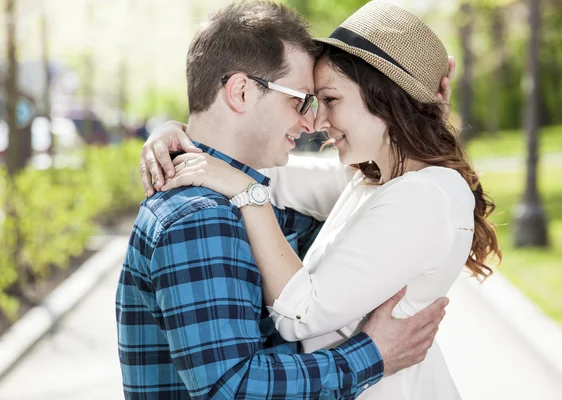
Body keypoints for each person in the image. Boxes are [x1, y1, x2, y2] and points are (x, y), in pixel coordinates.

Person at [140, 2, 502, 399]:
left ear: (385, 99)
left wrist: (250, 196)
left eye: (330, 100)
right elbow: (262, 169)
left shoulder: (423, 196)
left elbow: (300, 312)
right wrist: (178, 136)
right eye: (307, 101)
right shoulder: (370, 182)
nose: (316, 121)